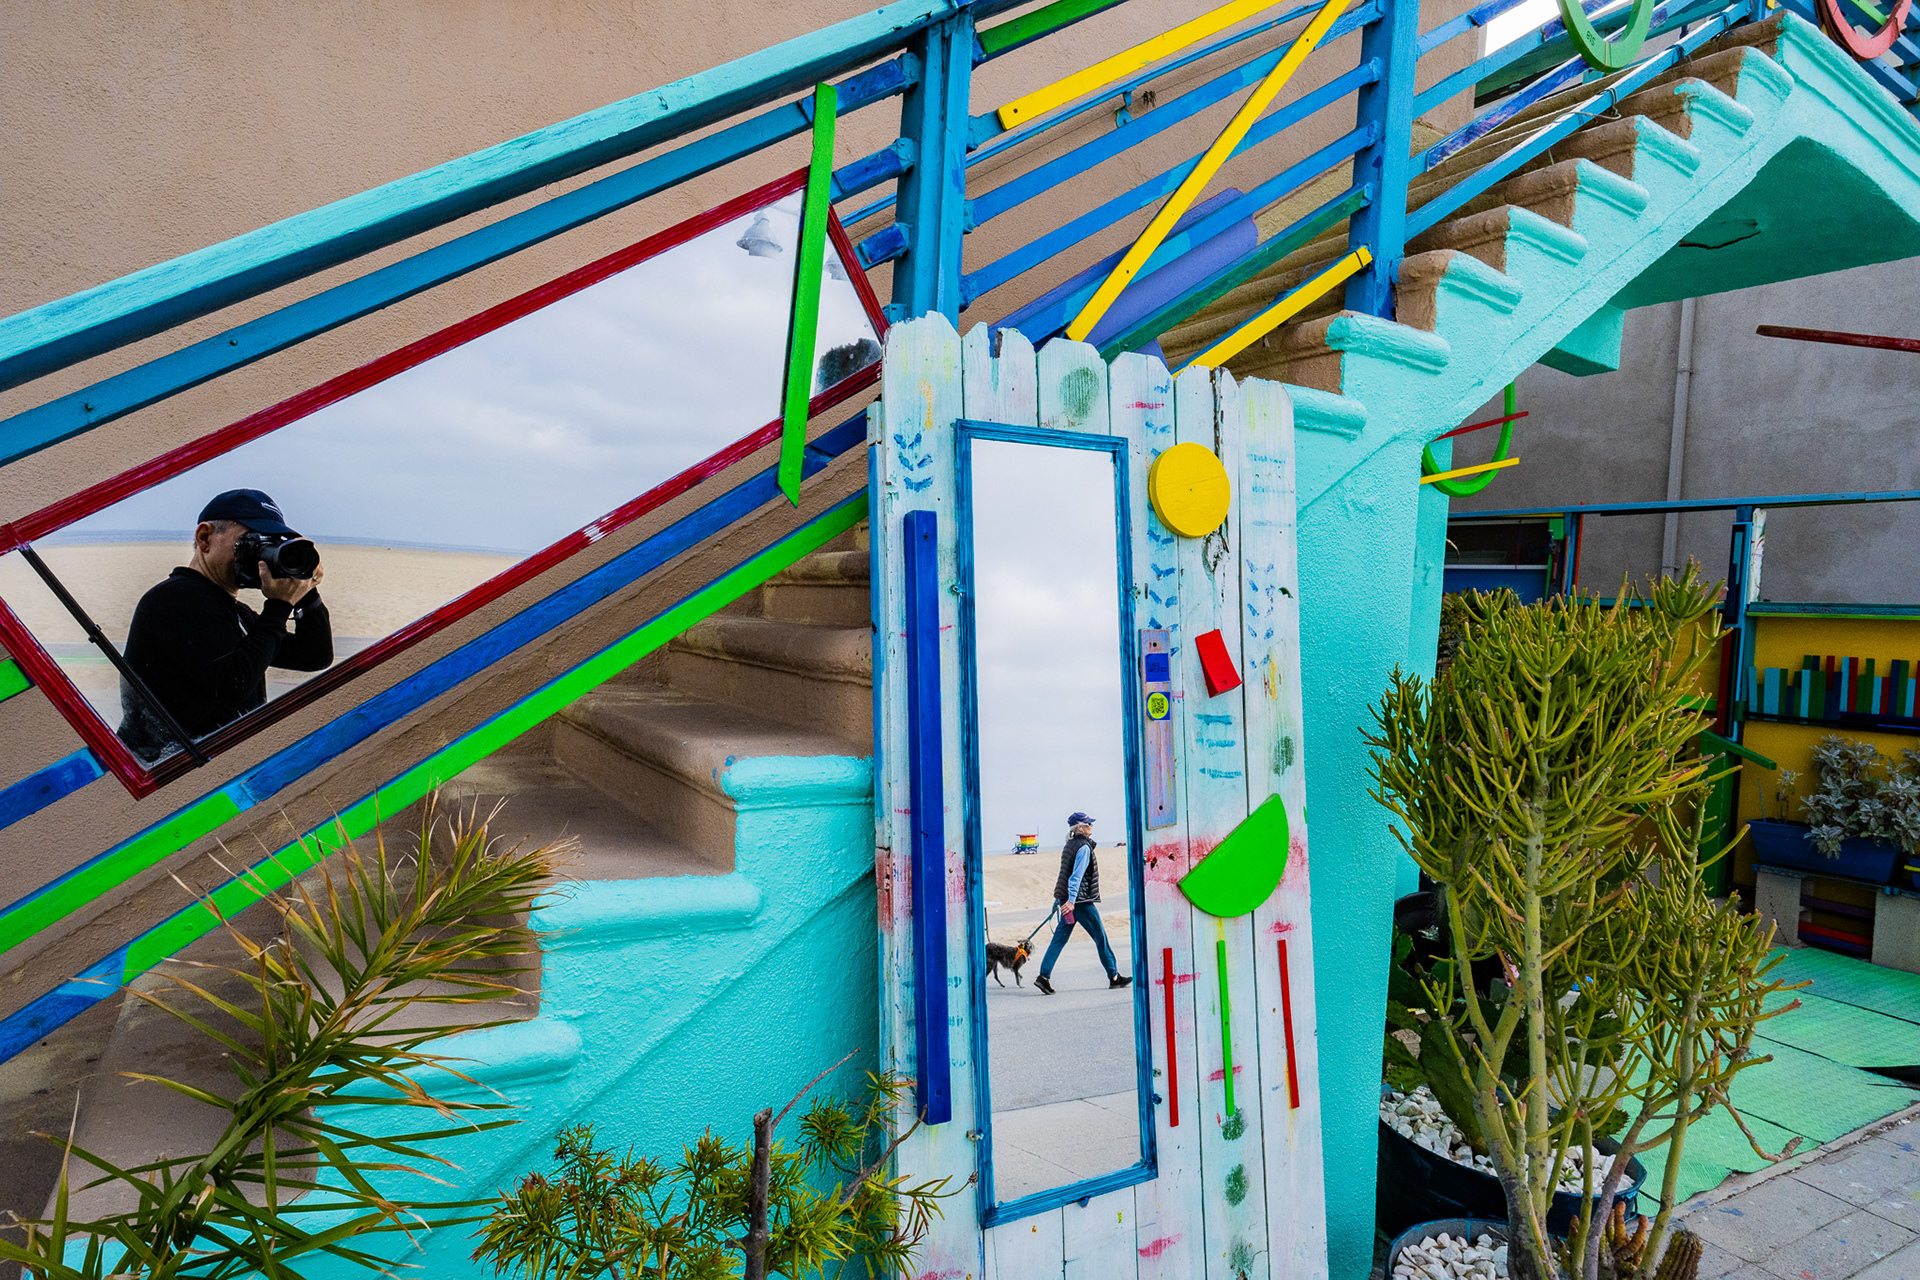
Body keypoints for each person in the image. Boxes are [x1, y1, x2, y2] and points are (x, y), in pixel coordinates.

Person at [117, 489, 332, 761]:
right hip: (163, 769)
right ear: (205, 538)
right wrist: (278, 606)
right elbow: (234, 686)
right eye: (250, 542)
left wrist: (304, 587)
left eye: (270, 546)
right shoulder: (175, 599)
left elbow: (314, 655)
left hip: (204, 770)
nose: (260, 557)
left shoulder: (233, 612)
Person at [1033, 812, 1132, 995]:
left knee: (1059, 939)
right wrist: (1071, 901)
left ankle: (1043, 977)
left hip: (1069, 901)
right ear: (1079, 828)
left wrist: (1061, 899)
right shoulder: (1084, 848)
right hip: (1080, 902)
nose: (1091, 827)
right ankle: (1114, 977)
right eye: (1088, 824)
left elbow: (1063, 874)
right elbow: (1075, 877)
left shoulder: (1069, 845)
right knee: (1100, 937)